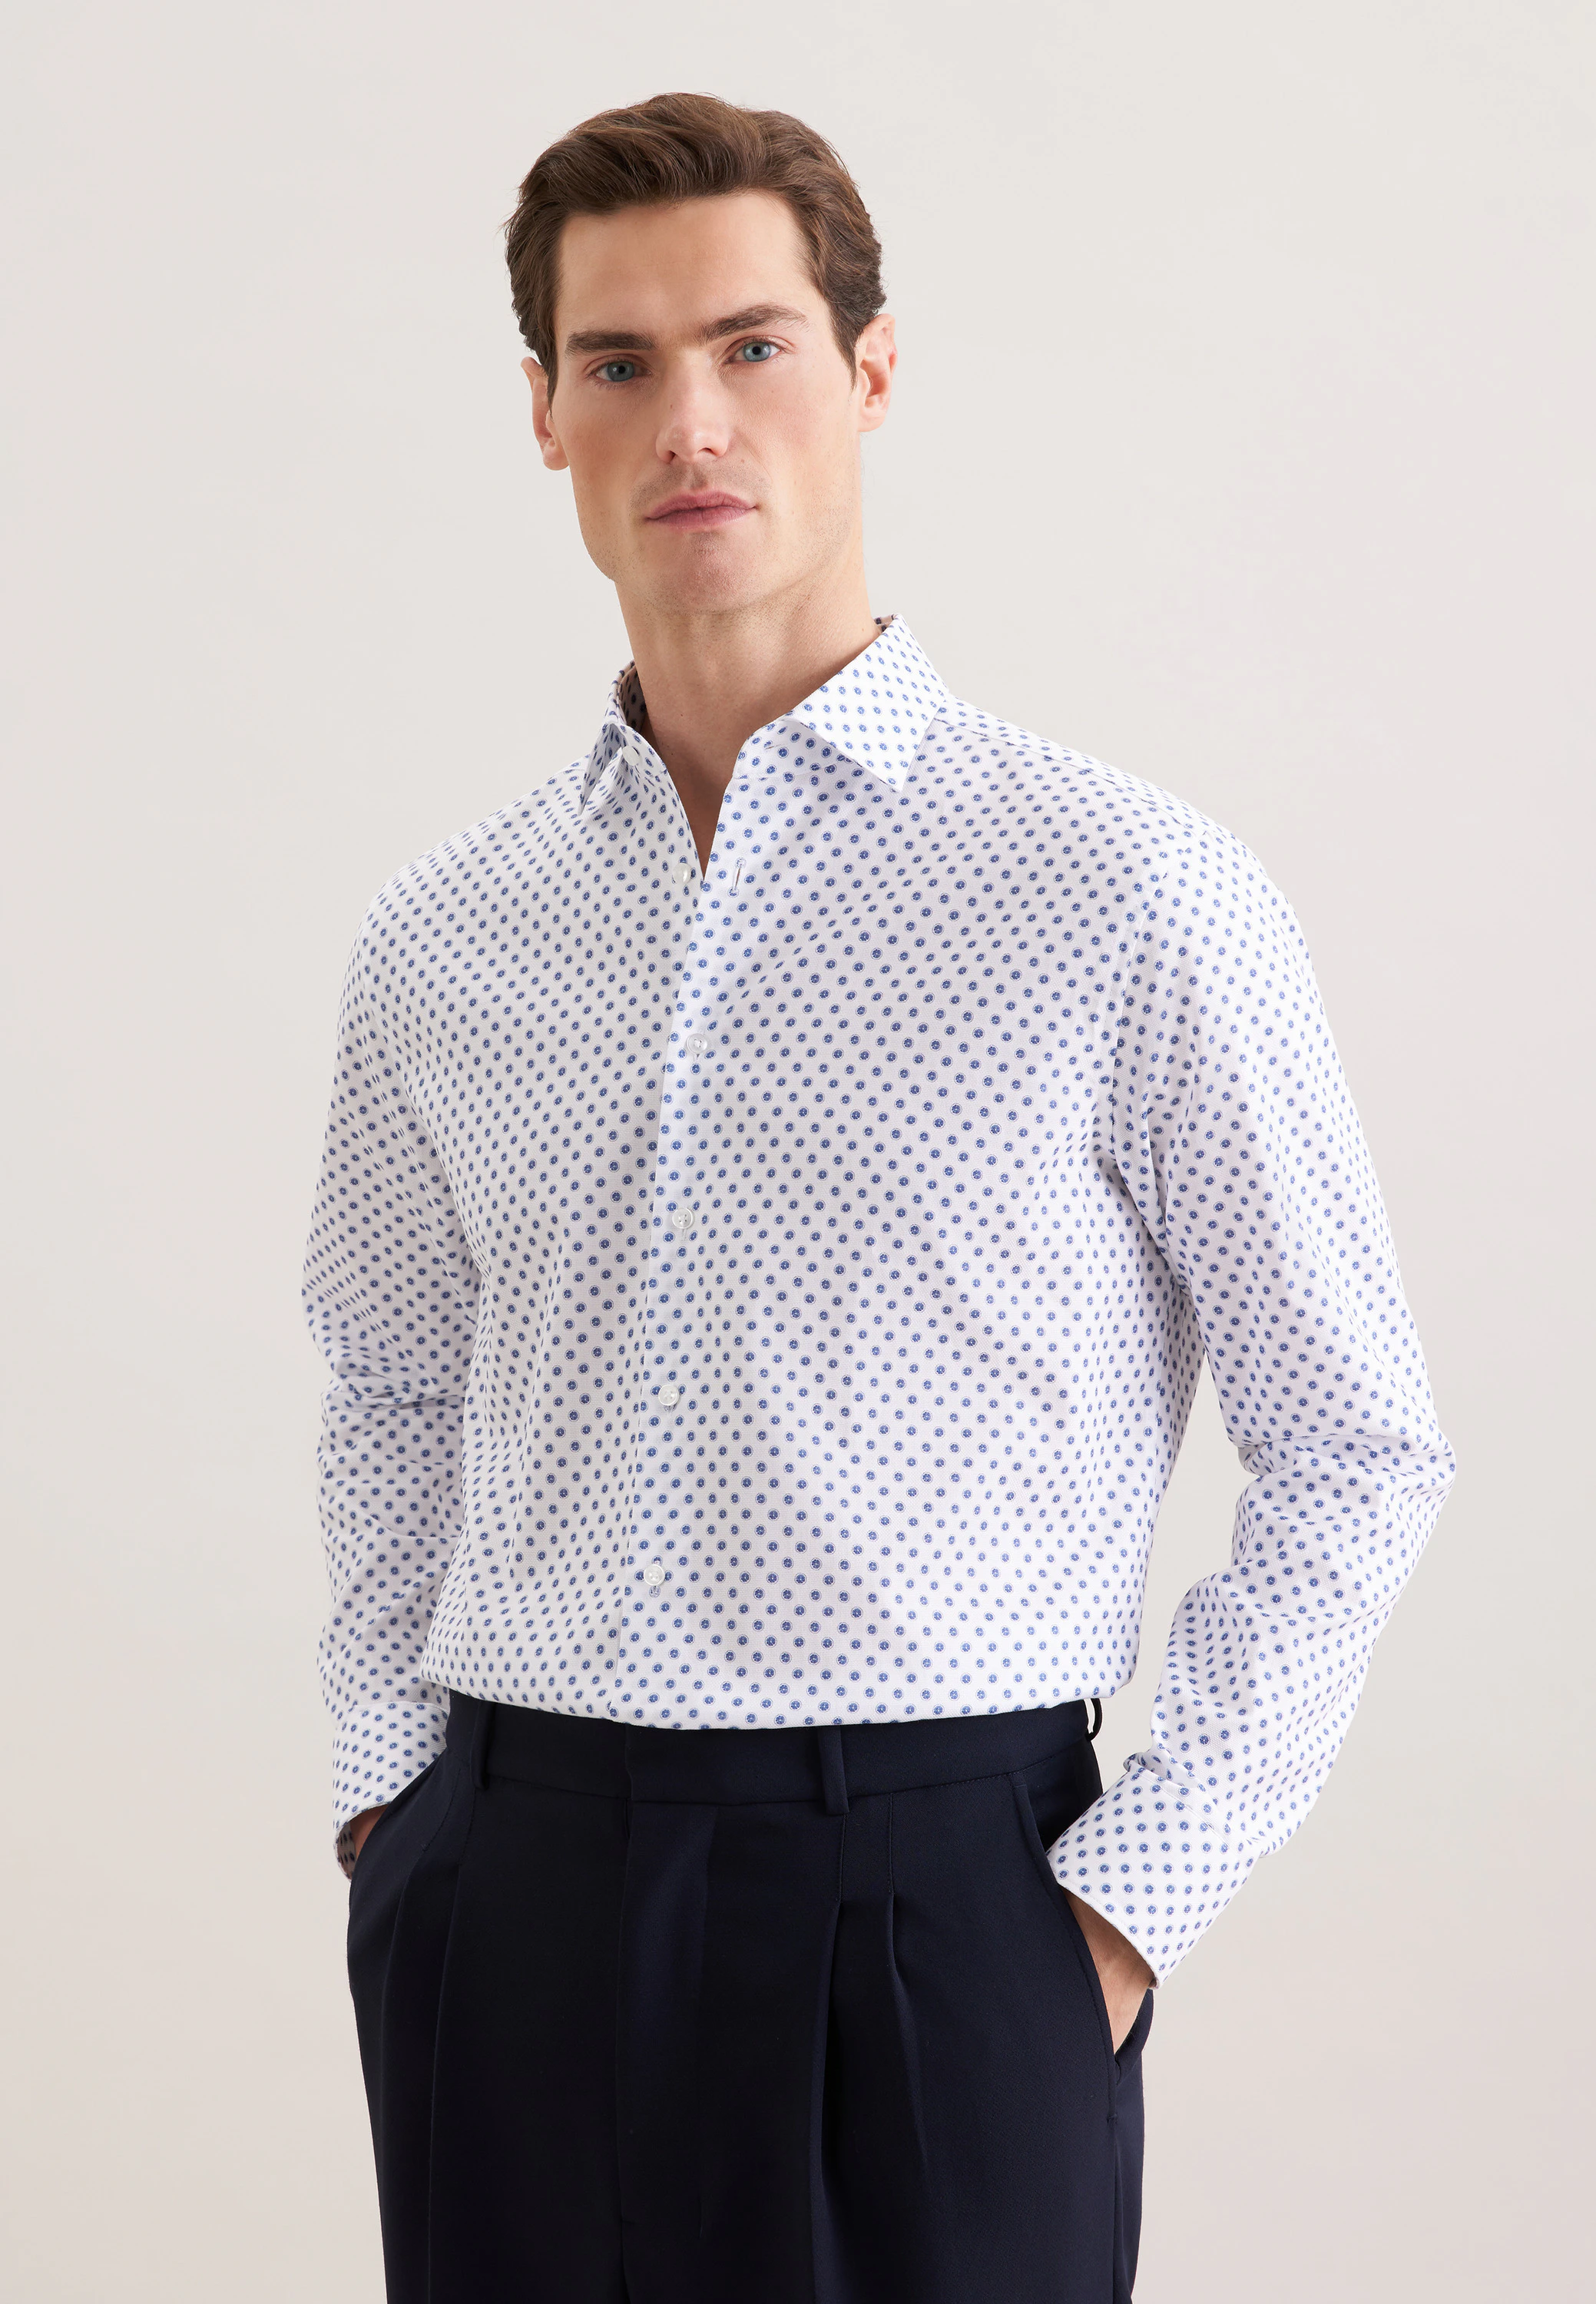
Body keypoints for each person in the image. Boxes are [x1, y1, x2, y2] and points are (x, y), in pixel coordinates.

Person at [303, 91, 1454, 2304]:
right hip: (510, 1896)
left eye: (752, 345)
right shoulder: (441, 941)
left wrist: (1123, 1906)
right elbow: (393, 1392)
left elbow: (1354, 1441)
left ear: (871, 373)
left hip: (946, 1905)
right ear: (543, 414)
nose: (690, 422)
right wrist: (387, 1807)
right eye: (620, 362)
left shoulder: (1128, 897)